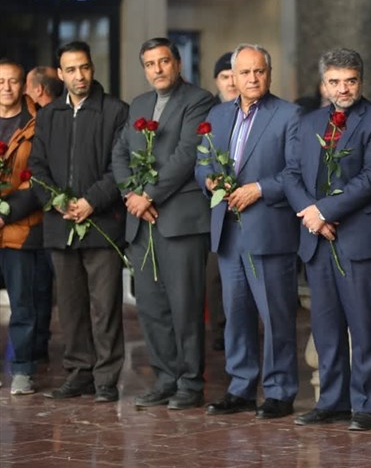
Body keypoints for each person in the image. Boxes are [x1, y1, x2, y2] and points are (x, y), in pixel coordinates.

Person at [284, 48, 371, 431]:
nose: (343, 88)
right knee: (326, 326)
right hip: (317, 237)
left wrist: (326, 211)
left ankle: (367, 405)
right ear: (324, 84)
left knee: (364, 326)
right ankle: (332, 401)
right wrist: (313, 216)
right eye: (335, 81)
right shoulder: (309, 120)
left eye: (350, 81)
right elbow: (291, 174)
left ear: (360, 82)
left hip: (359, 238)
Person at [196, 44, 301, 420]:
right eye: (245, 73)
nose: (253, 79)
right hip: (228, 231)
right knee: (235, 314)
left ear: (268, 75)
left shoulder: (289, 115)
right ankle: (240, 388)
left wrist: (259, 188)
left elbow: (294, 172)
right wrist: (208, 180)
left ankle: (279, 391)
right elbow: (201, 161)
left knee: (275, 316)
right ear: (233, 77)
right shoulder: (218, 115)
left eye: (259, 72)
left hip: (269, 230)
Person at [111, 37, 216, 410]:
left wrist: (149, 195)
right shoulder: (138, 104)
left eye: (164, 61)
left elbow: (187, 155)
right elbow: (120, 153)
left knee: (185, 305)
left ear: (178, 63)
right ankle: (165, 378)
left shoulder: (199, 100)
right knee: (152, 307)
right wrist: (132, 197)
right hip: (142, 222)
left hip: (180, 222)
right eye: (150, 64)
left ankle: (190, 383)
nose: (157, 69)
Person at [29, 41, 128, 403]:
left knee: (105, 306)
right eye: (71, 70)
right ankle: (78, 372)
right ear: (60, 73)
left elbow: (120, 169)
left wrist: (90, 201)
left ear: (92, 68)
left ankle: (106, 379)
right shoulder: (48, 114)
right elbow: (36, 167)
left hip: (102, 225)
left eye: (84, 67)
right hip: (60, 224)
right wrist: (57, 201)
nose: (79, 75)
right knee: (69, 306)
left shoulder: (116, 111)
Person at [0, 58, 49, 396]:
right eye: (0, 80)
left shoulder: (39, 124)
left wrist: (5, 212)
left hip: (21, 226)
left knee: (24, 303)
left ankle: (22, 369)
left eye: (13, 81)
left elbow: (41, 178)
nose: (6, 87)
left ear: (24, 85)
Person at [206, 51, 238, 352]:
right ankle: (218, 332)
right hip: (213, 209)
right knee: (214, 277)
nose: (230, 82)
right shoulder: (210, 114)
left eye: (234, 75)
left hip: (248, 206)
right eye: (224, 76)